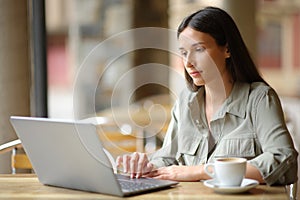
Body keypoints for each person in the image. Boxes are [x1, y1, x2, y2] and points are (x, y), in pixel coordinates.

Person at [116, 6, 298, 185]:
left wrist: (202, 171)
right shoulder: (186, 103)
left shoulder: (259, 99)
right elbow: (167, 159)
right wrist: (144, 165)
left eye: (199, 49)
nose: (188, 62)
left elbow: (282, 159)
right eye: (184, 53)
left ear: (227, 49)